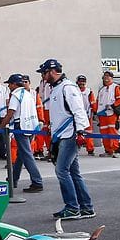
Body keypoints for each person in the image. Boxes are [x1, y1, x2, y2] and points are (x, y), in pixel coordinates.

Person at [39, 58, 93, 220]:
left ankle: (72, 207)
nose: (43, 76)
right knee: (74, 173)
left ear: (53, 71)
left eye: (45, 72)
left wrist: (81, 131)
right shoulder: (56, 88)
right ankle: (86, 207)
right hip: (63, 135)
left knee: (62, 170)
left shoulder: (67, 87)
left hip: (70, 135)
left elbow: (78, 110)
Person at [3, 73, 43, 193]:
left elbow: (10, 113)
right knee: (21, 154)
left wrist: (0, 127)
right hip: (30, 125)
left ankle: (37, 181)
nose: (8, 86)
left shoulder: (15, 95)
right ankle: (13, 179)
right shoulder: (28, 94)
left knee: (26, 154)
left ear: (14, 84)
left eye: (9, 84)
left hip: (21, 125)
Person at [95, 70, 120, 158]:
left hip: (111, 113)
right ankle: (108, 150)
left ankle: (116, 150)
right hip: (102, 115)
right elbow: (97, 102)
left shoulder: (115, 87)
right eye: (105, 76)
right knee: (104, 133)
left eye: (108, 76)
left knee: (113, 132)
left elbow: (119, 99)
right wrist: (96, 112)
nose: (106, 77)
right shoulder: (101, 89)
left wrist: (112, 106)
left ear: (111, 78)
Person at [75, 75, 96, 156]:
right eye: (80, 81)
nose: (82, 83)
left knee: (88, 132)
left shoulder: (89, 91)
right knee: (76, 132)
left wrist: (95, 112)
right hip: (77, 114)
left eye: (83, 81)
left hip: (87, 114)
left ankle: (90, 149)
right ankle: (76, 149)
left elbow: (93, 102)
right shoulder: (74, 90)